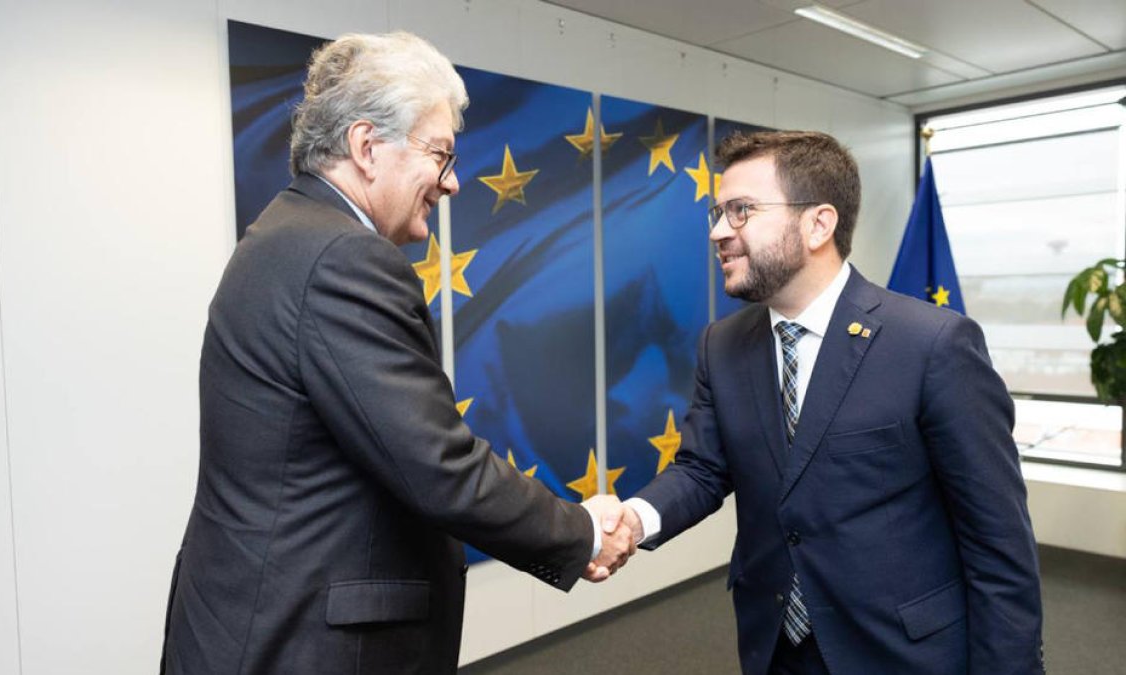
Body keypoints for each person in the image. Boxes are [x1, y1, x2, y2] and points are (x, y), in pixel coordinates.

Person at [160, 32, 632, 675]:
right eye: (440, 154)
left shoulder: (285, 234)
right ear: (366, 147)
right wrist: (583, 532)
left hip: (251, 620)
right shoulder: (342, 259)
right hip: (301, 642)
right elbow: (438, 464)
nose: (452, 182)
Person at [618, 131, 1044, 674]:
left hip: (900, 652)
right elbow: (702, 469)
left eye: (741, 210)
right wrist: (632, 520)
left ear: (818, 224)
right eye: (718, 213)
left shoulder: (933, 345)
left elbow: (997, 542)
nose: (719, 231)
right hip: (775, 646)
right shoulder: (721, 346)